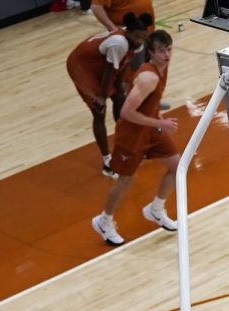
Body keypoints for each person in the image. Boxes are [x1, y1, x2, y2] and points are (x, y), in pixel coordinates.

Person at [92, 30, 178, 246]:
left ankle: (156, 209)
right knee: (126, 180)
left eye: (169, 49)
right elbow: (126, 113)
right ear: (151, 53)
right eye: (161, 51)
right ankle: (104, 221)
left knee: (177, 165)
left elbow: (148, 100)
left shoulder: (162, 68)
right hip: (132, 135)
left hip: (150, 129)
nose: (167, 55)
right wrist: (160, 123)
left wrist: (156, 114)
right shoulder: (149, 76)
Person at [65, 13, 152, 178]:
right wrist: (102, 97)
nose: (140, 40)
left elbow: (122, 65)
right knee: (99, 111)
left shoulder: (136, 43)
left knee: (120, 99)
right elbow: (109, 71)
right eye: (137, 36)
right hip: (82, 66)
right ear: (129, 33)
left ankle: (125, 142)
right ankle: (107, 162)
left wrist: (119, 87)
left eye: (143, 37)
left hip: (101, 64)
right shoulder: (118, 43)